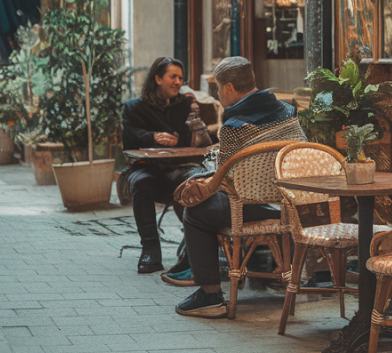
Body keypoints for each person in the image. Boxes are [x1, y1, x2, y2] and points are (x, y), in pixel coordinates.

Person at [172, 56, 305, 318]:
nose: (219, 94)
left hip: (250, 205)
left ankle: (210, 295)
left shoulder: (234, 126)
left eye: (218, 89)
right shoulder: (289, 112)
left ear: (229, 88)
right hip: (288, 206)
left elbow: (222, 178)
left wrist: (202, 184)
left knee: (196, 212)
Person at [122, 57, 213, 274]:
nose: (178, 82)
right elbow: (130, 141)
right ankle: (150, 250)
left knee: (197, 179)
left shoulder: (186, 105)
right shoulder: (134, 108)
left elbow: (202, 138)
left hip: (180, 168)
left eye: (180, 78)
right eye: (173, 77)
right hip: (147, 169)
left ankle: (194, 251)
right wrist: (153, 137)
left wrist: (197, 116)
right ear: (157, 78)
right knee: (141, 182)